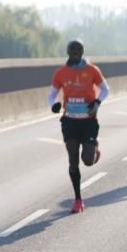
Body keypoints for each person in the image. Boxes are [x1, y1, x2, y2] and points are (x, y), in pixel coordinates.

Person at [47, 39, 109, 213]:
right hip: (70, 121)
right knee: (73, 160)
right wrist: (54, 105)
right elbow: (51, 95)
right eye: (72, 49)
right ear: (68, 51)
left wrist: (97, 102)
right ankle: (78, 200)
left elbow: (106, 90)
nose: (75, 52)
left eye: (78, 49)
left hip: (88, 121)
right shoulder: (61, 72)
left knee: (87, 161)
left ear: (82, 51)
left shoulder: (92, 70)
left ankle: (94, 147)